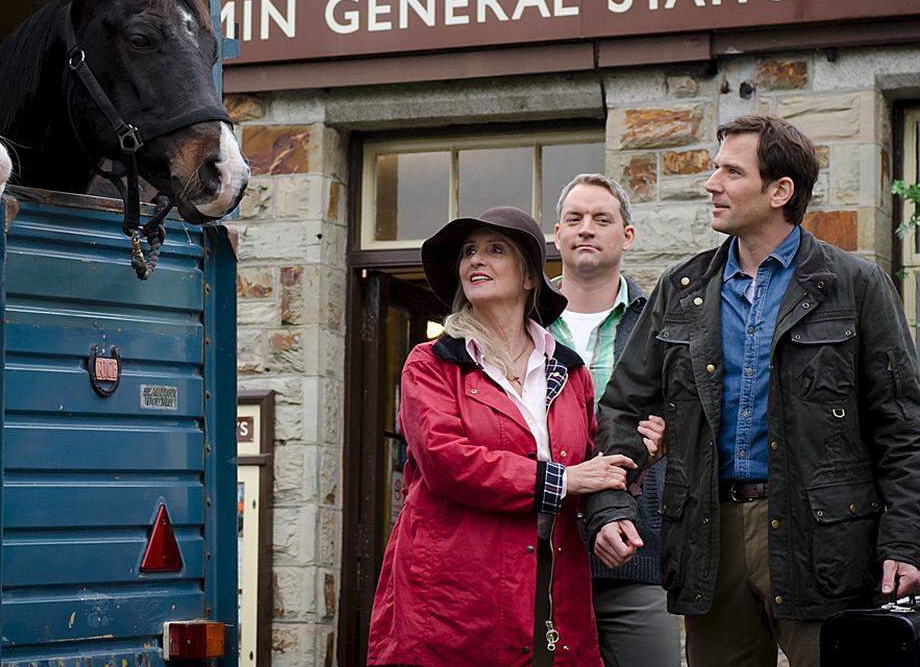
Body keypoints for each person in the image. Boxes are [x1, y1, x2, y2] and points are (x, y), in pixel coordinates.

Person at [584, 114, 920, 667]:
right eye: (715, 169)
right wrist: (609, 504)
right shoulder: (681, 288)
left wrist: (904, 540)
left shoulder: (855, 286)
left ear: (779, 191)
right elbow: (620, 408)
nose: (711, 183)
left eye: (730, 172)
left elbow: (902, 428)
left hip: (827, 542)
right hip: (708, 538)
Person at [366, 206, 638, 667]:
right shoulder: (431, 363)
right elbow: (446, 461)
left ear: (531, 277)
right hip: (454, 595)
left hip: (552, 583)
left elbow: (593, 464)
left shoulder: (569, 371)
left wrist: (610, 514)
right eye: (469, 252)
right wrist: (562, 481)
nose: (476, 260)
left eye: (495, 250)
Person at [550, 174, 681, 667]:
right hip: (540, 551)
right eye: (575, 219)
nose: (587, 229)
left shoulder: (664, 322)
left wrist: (675, 434)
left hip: (638, 552)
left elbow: (702, 413)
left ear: (626, 235)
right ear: (557, 233)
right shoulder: (522, 325)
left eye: (602, 219)